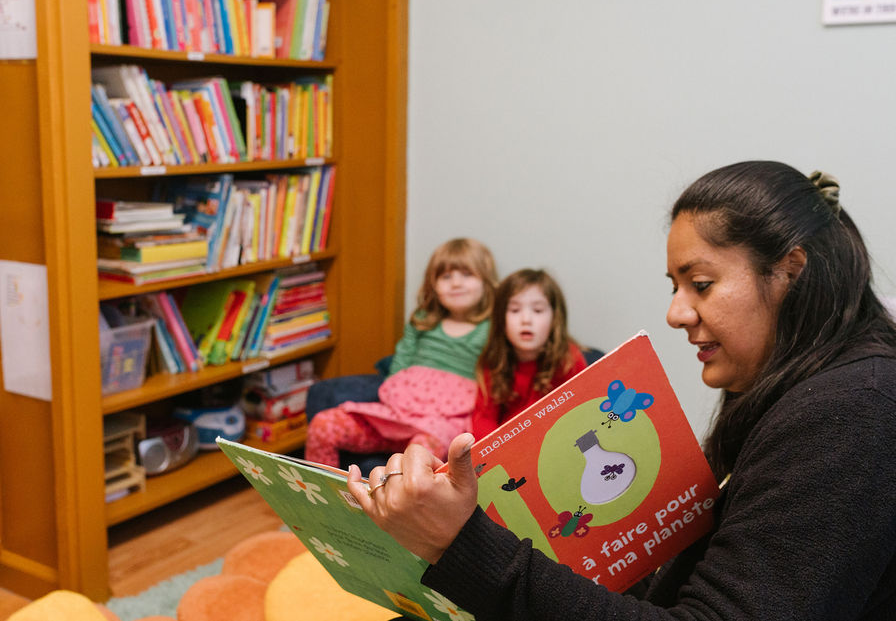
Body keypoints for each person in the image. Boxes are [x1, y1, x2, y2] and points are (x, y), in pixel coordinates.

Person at [348, 161, 896, 620]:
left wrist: (465, 546)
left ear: (789, 273)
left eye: (700, 284)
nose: (676, 312)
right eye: (675, 287)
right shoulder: (791, 384)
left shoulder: (856, 411)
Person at [305, 237, 498, 468]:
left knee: (421, 452)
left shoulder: (491, 328)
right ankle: (327, 498)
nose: (456, 284)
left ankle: (399, 500)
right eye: (446, 277)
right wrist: (394, 397)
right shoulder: (423, 320)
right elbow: (401, 362)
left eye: (467, 275)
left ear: (486, 281)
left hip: (443, 422)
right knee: (323, 425)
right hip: (395, 414)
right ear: (433, 285)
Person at [472, 268, 588, 437]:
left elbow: (581, 415)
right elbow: (483, 420)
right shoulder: (494, 360)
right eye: (514, 310)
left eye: (538, 310)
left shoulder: (569, 359)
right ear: (500, 319)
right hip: (507, 450)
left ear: (555, 318)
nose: (526, 319)